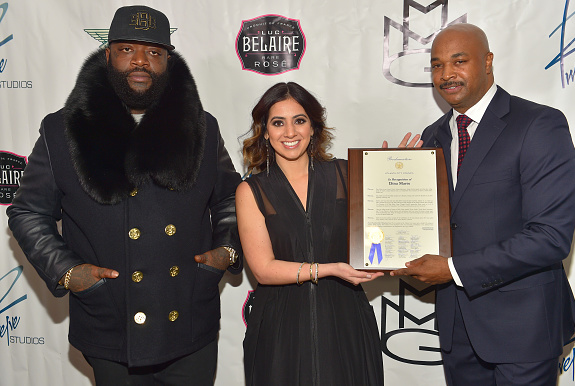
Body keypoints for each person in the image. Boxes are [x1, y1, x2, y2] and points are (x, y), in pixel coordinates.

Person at [6, 5, 242, 385]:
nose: (141, 61)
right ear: (108, 55)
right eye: (127, 49)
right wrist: (68, 271)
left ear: (169, 61)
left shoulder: (202, 128)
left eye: (154, 52)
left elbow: (231, 198)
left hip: (188, 322)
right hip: (110, 323)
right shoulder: (61, 131)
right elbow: (27, 213)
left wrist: (225, 252)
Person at [390, 23, 575, 385]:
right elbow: (438, 225)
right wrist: (393, 188)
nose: (447, 74)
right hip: (457, 331)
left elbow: (549, 237)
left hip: (522, 329)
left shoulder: (538, 124)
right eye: (436, 65)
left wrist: (453, 270)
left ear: (488, 61)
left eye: (459, 61)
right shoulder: (433, 136)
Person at [237, 82, 392, 385]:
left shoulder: (348, 174)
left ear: (313, 127)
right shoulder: (251, 190)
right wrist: (329, 269)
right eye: (278, 123)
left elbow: (381, 236)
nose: (290, 132)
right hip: (280, 330)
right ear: (265, 131)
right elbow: (264, 270)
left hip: (345, 321)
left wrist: (397, 180)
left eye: (299, 120)